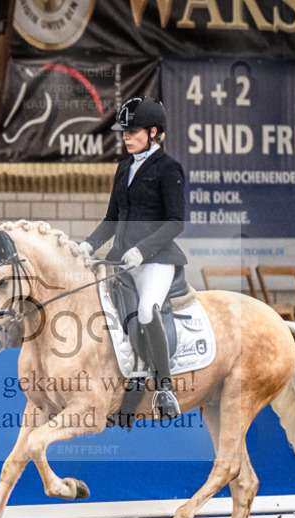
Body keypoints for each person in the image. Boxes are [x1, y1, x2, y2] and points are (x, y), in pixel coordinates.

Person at [77, 96, 186, 420]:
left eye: (133, 131)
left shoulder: (168, 168)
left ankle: (164, 388)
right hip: (120, 260)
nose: (126, 136)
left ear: (153, 132)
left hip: (156, 261)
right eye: (124, 132)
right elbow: (112, 218)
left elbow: (176, 222)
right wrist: (88, 245)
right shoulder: (124, 168)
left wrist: (143, 250)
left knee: (147, 311)